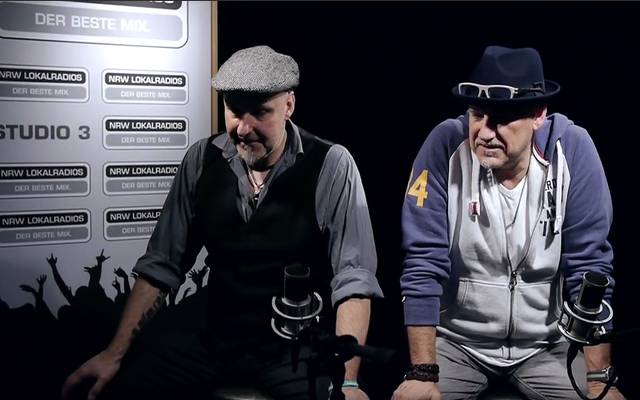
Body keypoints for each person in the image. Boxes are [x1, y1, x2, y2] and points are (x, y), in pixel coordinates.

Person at [62, 45, 382, 400]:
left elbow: (353, 279)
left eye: (260, 112)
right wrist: (113, 354)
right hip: (215, 341)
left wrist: (348, 382)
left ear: (289, 105)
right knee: (120, 388)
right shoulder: (202, 159)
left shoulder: (331, 164)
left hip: (295, 349)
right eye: (234, 110)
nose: (243, 128)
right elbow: (161, 265)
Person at [392, 46, 625, 400]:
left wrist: (597, 380)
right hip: (458, 344)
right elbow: (422, 264)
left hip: (548, 345)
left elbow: (590, 270)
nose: (485, 132)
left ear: (538, 115)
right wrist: (423, 374)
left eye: (501, 119)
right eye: (477, 116)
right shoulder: (444, 146)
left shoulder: (572, 150)